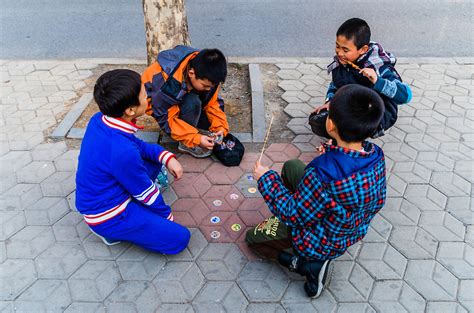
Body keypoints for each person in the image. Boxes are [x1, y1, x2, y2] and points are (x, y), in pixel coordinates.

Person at [247, 84, 387, 298]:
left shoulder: (321, 174)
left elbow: (293, 214)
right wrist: (333, 149)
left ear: (330, 124)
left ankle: (307, 265)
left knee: (252, 238)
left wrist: (265, 179)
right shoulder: (375, 154)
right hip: (350, 226)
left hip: (319, 240)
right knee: (292, 166)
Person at [75, 69, 190, 254]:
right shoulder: (122, 150)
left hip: (105, 189)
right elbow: (144, 191)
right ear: (130, 110)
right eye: (145, 95)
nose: (148, 96)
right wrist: (165, 216)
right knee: (179, 239)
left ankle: (139, 212)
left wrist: (166, 157)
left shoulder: (99, 119)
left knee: (153, 159)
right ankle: (113, 233)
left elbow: (139, 145)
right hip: (109, 216)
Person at [310, 18, 412, 139]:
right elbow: (335, 85)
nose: (339, 53)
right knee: (318, 121)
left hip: (375, 114)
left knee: (343, 125)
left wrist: (377, 81)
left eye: (345, 50)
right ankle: (344, 138)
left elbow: (406, 96)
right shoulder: (341, 63)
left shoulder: (379, 67)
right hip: (352, 107)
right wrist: (330, 102)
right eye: (337, 46)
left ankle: (353, 145)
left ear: (363, 49)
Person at [142, 45, 229, 158]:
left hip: (180, 93)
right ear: (191, 74)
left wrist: (220, 128)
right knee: (193, 103)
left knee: (208, 124)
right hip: (159, 105)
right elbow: (167, 120)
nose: (209, 89)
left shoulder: (206, 70)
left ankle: (189, 129)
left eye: (211, 86)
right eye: (205, 86)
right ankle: (185, 145)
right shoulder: (166, 83)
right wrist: (195, 139)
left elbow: (213, 104)